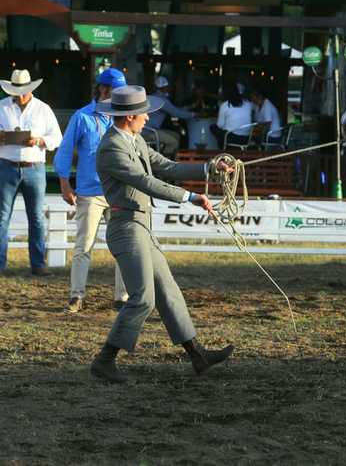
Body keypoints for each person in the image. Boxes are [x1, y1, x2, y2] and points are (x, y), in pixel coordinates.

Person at [90, 85, 235, 383]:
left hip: (141, 227)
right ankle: (104, 360)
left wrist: (210, 168)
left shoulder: (135, 139)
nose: (148, 118)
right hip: (127, 228)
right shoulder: (112, 148)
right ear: (130, 116)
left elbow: (167, 166)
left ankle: (198, 355)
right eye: (144, 114)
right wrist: (190, 197)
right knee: (143, 298)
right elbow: (146, 181)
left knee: (167, 291)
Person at [54, 69, 129, 313]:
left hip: (118, 190)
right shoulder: (82, 117)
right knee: (83, 246)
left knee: (125, 247)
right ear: (104, 90)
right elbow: (65, 150)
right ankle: (76, 296)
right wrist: (65, 183)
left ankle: (123, 297)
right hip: (90, 191)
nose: (118, 95)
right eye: (115, 91)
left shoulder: (124, 117)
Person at [0, 70, 62, 276]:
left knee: (35, 217)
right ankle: (3, 263)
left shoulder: (43, 109)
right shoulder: (2, 106)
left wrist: (38, 140)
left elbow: (56, 138)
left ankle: (38, 263)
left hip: (32, 167)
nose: (19, 95)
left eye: (22, 91)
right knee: (2, 217)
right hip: (8, 165)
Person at [142, 75, 195, 157]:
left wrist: (189, 108)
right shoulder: (162, 100)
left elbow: (174, 109)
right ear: (164, 87)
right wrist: (194, 114)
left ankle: (164, 155)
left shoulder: (154, 96)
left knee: (176, 135)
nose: (169, 88)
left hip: (147, 130)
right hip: (150, 132)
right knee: (174, 142)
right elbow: (177, 113)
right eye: (167, 86)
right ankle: (164, 162)